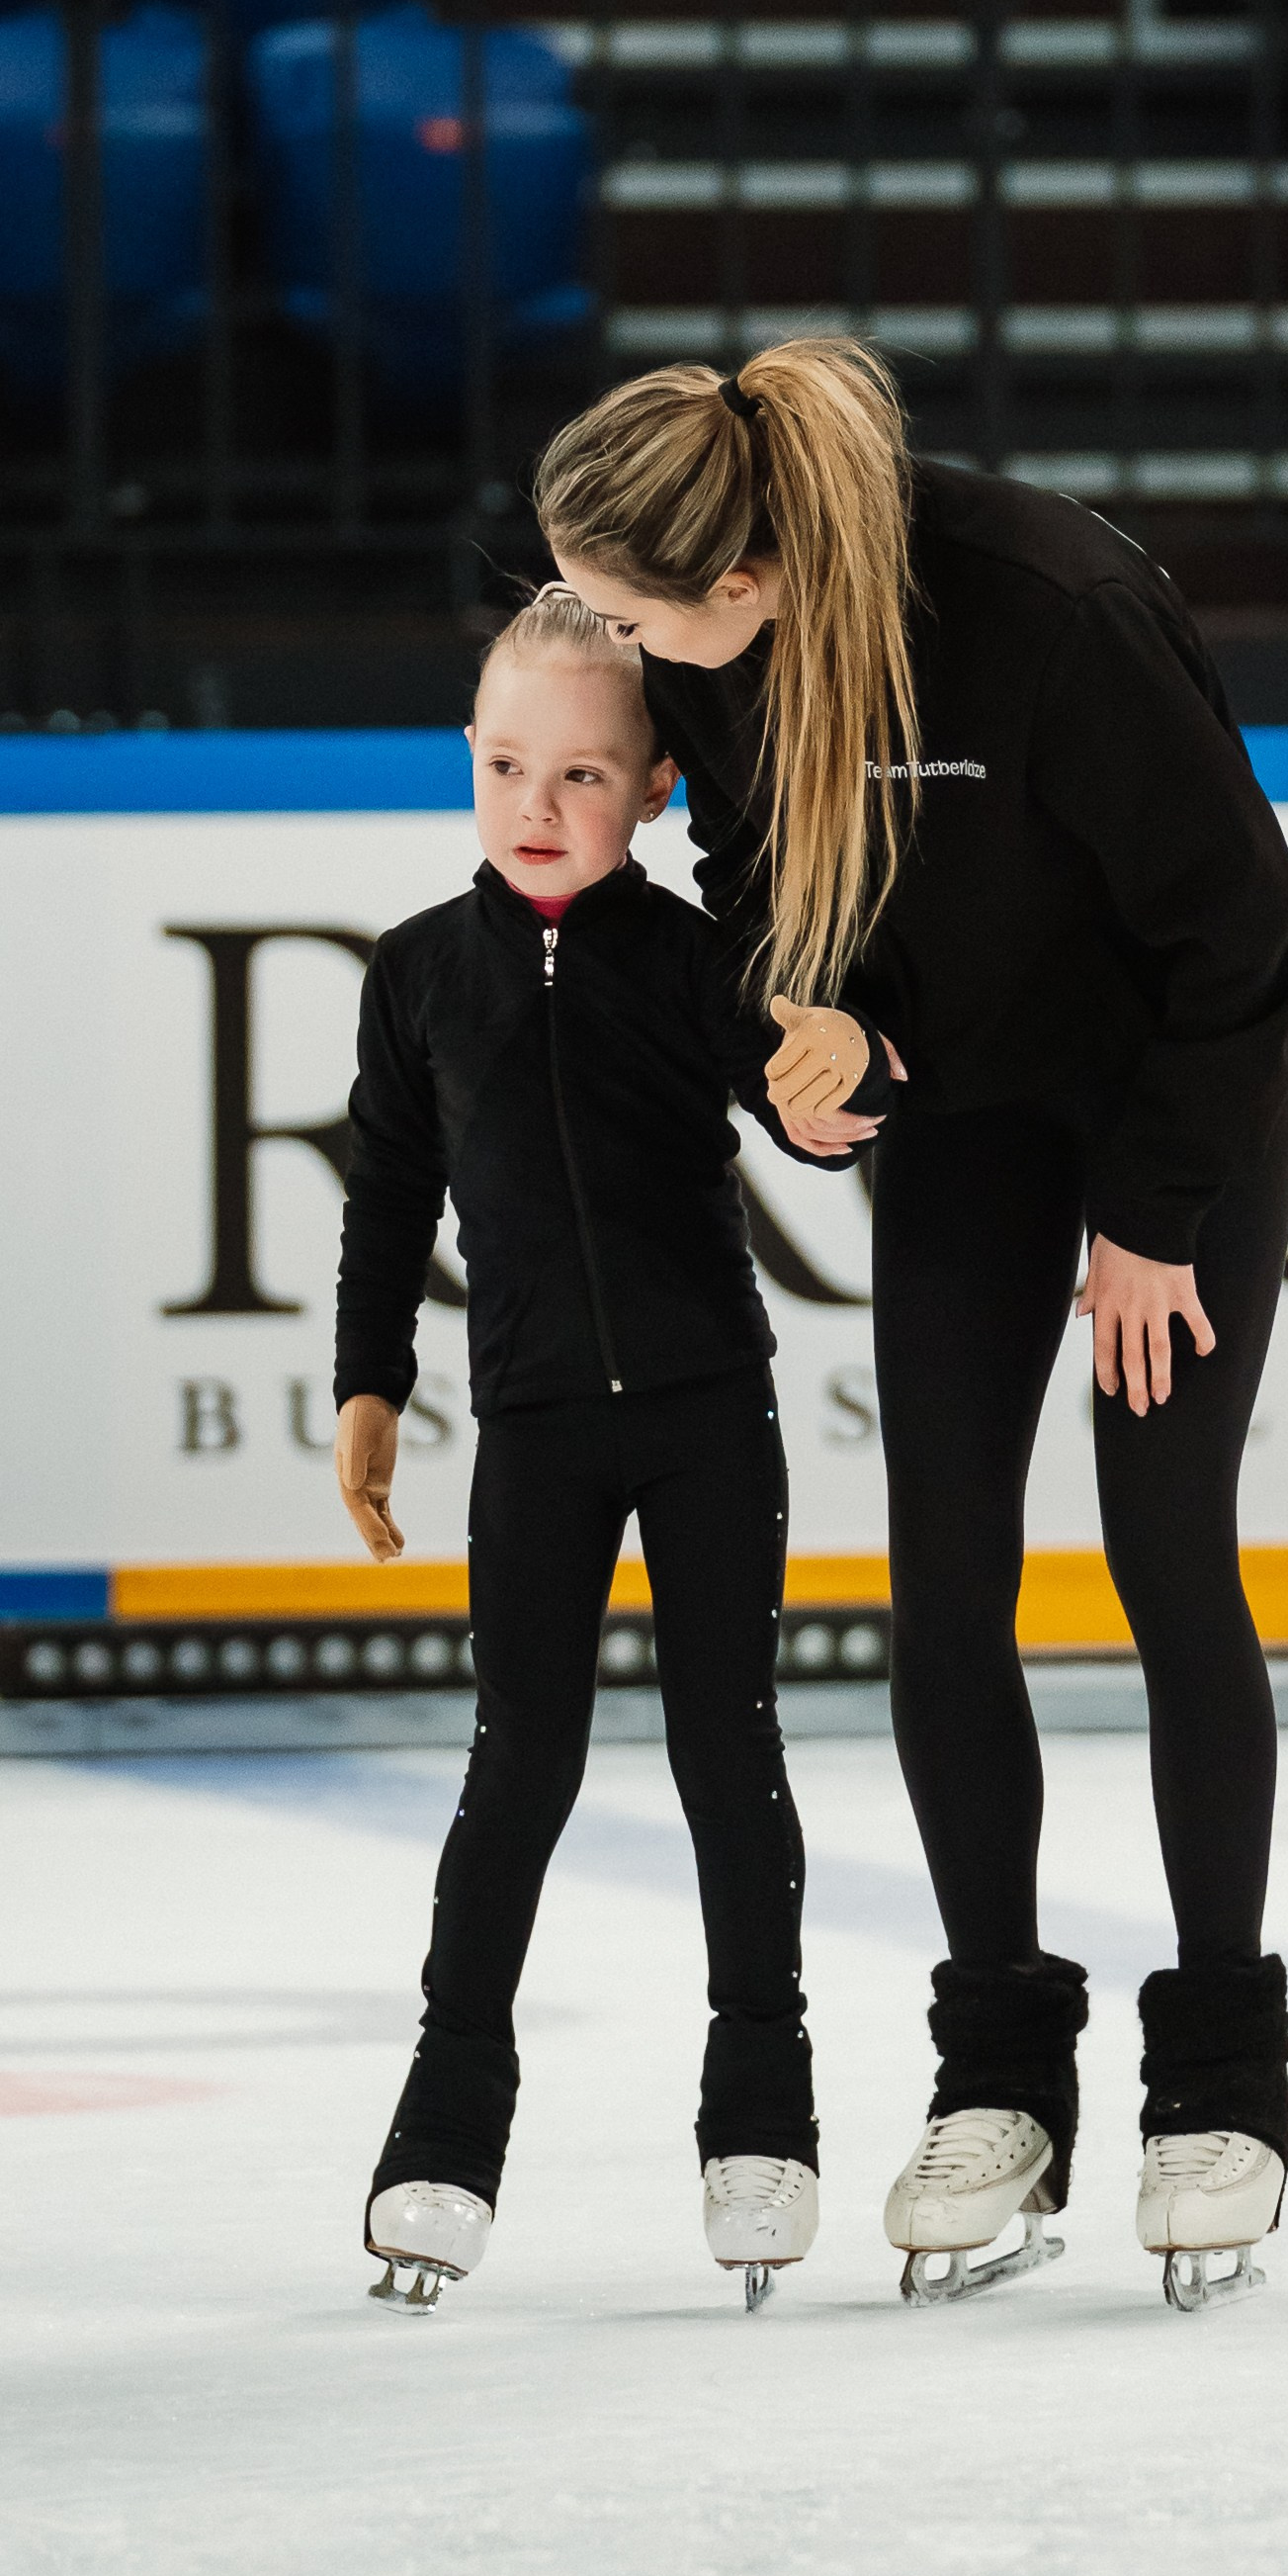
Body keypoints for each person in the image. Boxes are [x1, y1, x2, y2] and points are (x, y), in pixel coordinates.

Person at [537, 342, 1288, 2310]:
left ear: (745, 578)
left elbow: (1240, 936)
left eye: (626, 615)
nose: (602, 647)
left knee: (1163, 1552)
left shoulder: (1053, 607)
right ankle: (999, 2078)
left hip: (1169, 1103)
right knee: (944, 1582)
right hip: (960, 1116)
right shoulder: (716, 660)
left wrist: (1156, 1221)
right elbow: (759, 896)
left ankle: (1218, 2080)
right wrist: (812, 1051)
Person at [331, 585, 896, 2314]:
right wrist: (369, 1385)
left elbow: (821, 1116)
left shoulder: (695, 955)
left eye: (583, 773)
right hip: (537, 1433)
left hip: (712, 1411)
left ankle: (762, 2131)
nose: (538, 805)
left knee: (729, 1756)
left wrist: (841, 1069)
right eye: (507, 764)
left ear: (655, 787)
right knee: (521, 1771)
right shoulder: (421, 970)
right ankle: (441, 2146)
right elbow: (388, 1197)